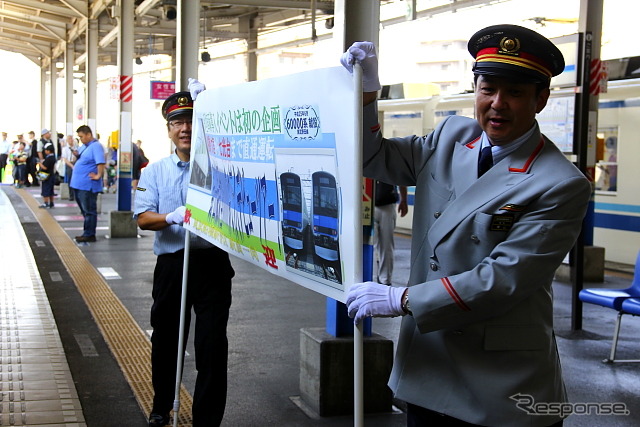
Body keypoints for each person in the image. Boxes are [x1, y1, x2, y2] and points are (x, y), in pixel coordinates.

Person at [342, 25, 592, 427]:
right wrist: (366, 93)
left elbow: (503, 278)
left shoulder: (559, 183)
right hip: (429, 366)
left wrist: (402, 299)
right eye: (488, 89)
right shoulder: (450, 136)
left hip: (501, 386)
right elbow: (371, 157)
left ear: (540, 99)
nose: (498, 104)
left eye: (514, 93)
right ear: (474, 88)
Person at [134, 91, 234, 427]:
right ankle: (162, 406)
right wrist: (170, 217)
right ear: (169, 129)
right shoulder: (154, 171)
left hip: (213, 265)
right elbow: (143, 218)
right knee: (166, 339)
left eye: (192, 120)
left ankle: (207, 419)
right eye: (178, 122)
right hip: (173, 266)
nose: (185, 128)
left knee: (211, 345)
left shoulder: (220, 166)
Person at [69, 125, 105, 243]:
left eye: (82, 136)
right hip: (79, 184)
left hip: (87, 185)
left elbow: (100, 162)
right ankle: (87, 232)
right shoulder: (85, 146)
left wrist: (98, 175)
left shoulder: (96, 146)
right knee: (85, 210)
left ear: (89, 134)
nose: (81, 139)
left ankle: (89, 234)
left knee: (89, 210)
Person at [374, 182, 408, 285]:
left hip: (387, 204)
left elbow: (401, 178)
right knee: (373, 246)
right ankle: (378, 278)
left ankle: (384, 280)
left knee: (386, 246)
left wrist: (403, 200)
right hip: (367, 204)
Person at [38, 144, 56, 208]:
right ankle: (51, 202)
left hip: (46, 176)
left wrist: (40, 164)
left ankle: (46, 203)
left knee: (46, 189)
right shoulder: (53, 157)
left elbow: (45, 168)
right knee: (51, 190)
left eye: (46, 150)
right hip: (51, 175)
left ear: (49, 151)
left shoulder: (49, 158)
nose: (45, 151)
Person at [61, 135, 76, 200]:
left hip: (75, 163)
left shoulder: (76, 148)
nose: (71, 140)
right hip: (69, 164)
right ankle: (71, 195)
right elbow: (65, 159)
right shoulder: (65, 149)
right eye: (69, 139)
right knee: (70, 180)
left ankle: (76, 195)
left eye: (71, 138)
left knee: (76, 180)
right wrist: (71, 165)